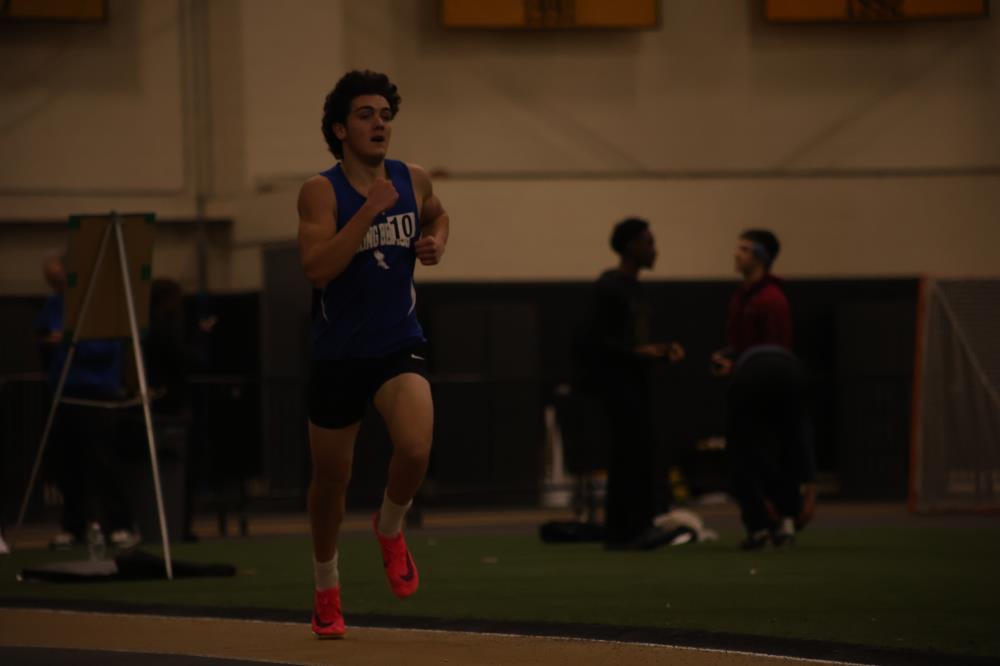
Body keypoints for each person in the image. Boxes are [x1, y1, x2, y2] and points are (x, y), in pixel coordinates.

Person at [297, 70, 449, 638]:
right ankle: (326, 588)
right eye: (365, 115)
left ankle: (389, 527)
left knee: (415, 445)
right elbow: (317, 268)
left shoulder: (413, 178)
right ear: (340, 129)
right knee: (330, 480)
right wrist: (369, 211)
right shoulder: (320, 190)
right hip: (339, 354)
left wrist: (436, 241)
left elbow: (437, 214)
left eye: (385, 115)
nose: (379, 123)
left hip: (397, 343)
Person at [579, 217, 685, 549]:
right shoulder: (609, 287)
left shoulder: (635, 289)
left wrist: (659, 350)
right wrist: (639, 353)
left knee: (640, 456)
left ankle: (636, 527)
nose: (654, 249)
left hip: (637, 383)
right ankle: (627, 531)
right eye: (648, 242)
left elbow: (633, 342)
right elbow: (595, 340)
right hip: (618, 385)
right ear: (630, 246)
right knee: (628, 458)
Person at [711, 230, 816, 549]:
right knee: (742, 454)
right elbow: (741, 343)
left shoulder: (772, 300)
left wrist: (739, 367)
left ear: (760, 256)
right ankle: (757, 523)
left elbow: (774, 351)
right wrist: (728, 358)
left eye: (744, 249)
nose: (737, 254)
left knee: (776, 450)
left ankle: (784, 518)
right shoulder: (740, 297)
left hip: (770, 388)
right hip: (744, 384)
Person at [35, 254, 137, 550]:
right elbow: (43, 334)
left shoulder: (100, 306)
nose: (56, 288)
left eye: (60, 281)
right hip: (64, 391)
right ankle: (74, 525)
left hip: (97, 393)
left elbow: (105, 349)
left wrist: (69, 342)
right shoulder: (54, 304)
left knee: (103, 462)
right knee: (67, 463)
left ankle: (119, 524)